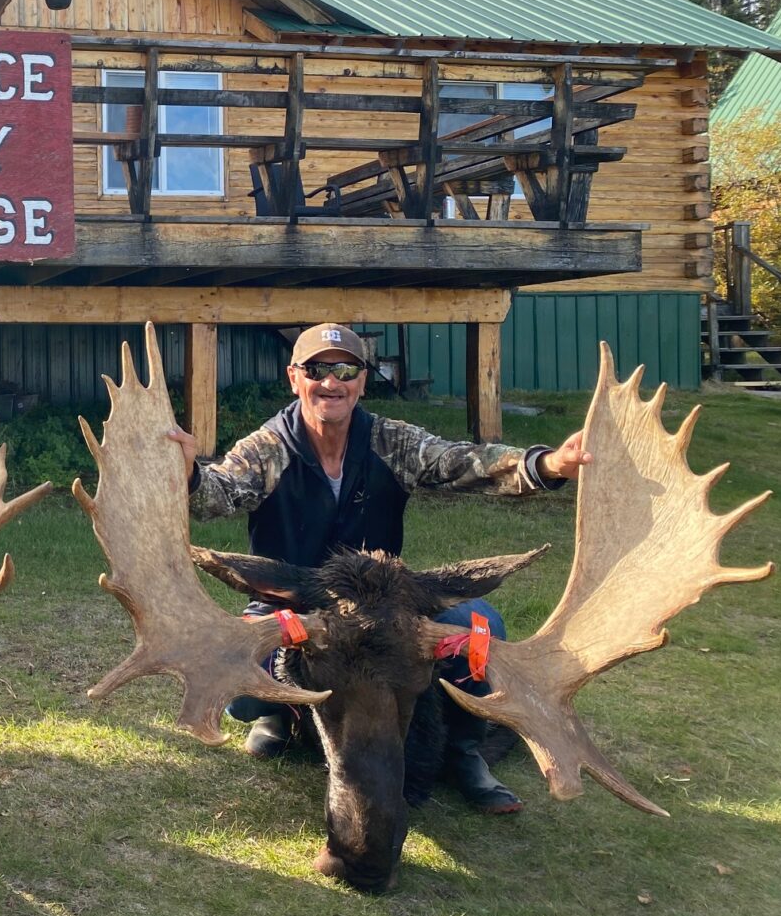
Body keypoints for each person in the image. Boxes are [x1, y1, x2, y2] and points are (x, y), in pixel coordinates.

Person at [167, 322, 589, 814]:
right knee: (239, 683)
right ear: (294, 378)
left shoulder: (390, 442)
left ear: (363, 381)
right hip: (295, 603)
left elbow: (462, 462)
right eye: (317, 370)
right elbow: (217, 495)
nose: (331, 382)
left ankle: (464, 749)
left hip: (383, 607)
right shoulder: (268, 448)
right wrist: (190, 473)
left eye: (346, 370)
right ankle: (282, 717)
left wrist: (548, 465)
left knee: (480, 627)